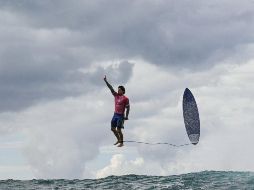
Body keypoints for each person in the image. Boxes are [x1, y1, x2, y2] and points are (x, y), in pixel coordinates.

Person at [104, 75, 130, 147]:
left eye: (120, 90)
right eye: (118, 89)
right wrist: (106, 81)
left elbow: (128, 108)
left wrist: (126, 116)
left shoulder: (126, 98)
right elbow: (111, 88)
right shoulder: (116, 95)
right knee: (112, 128)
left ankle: (121, 143)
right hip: (115, 114)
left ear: (123, 91)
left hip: (121, 116)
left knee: (119, 130)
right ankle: (118, 139)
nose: (118, 90)